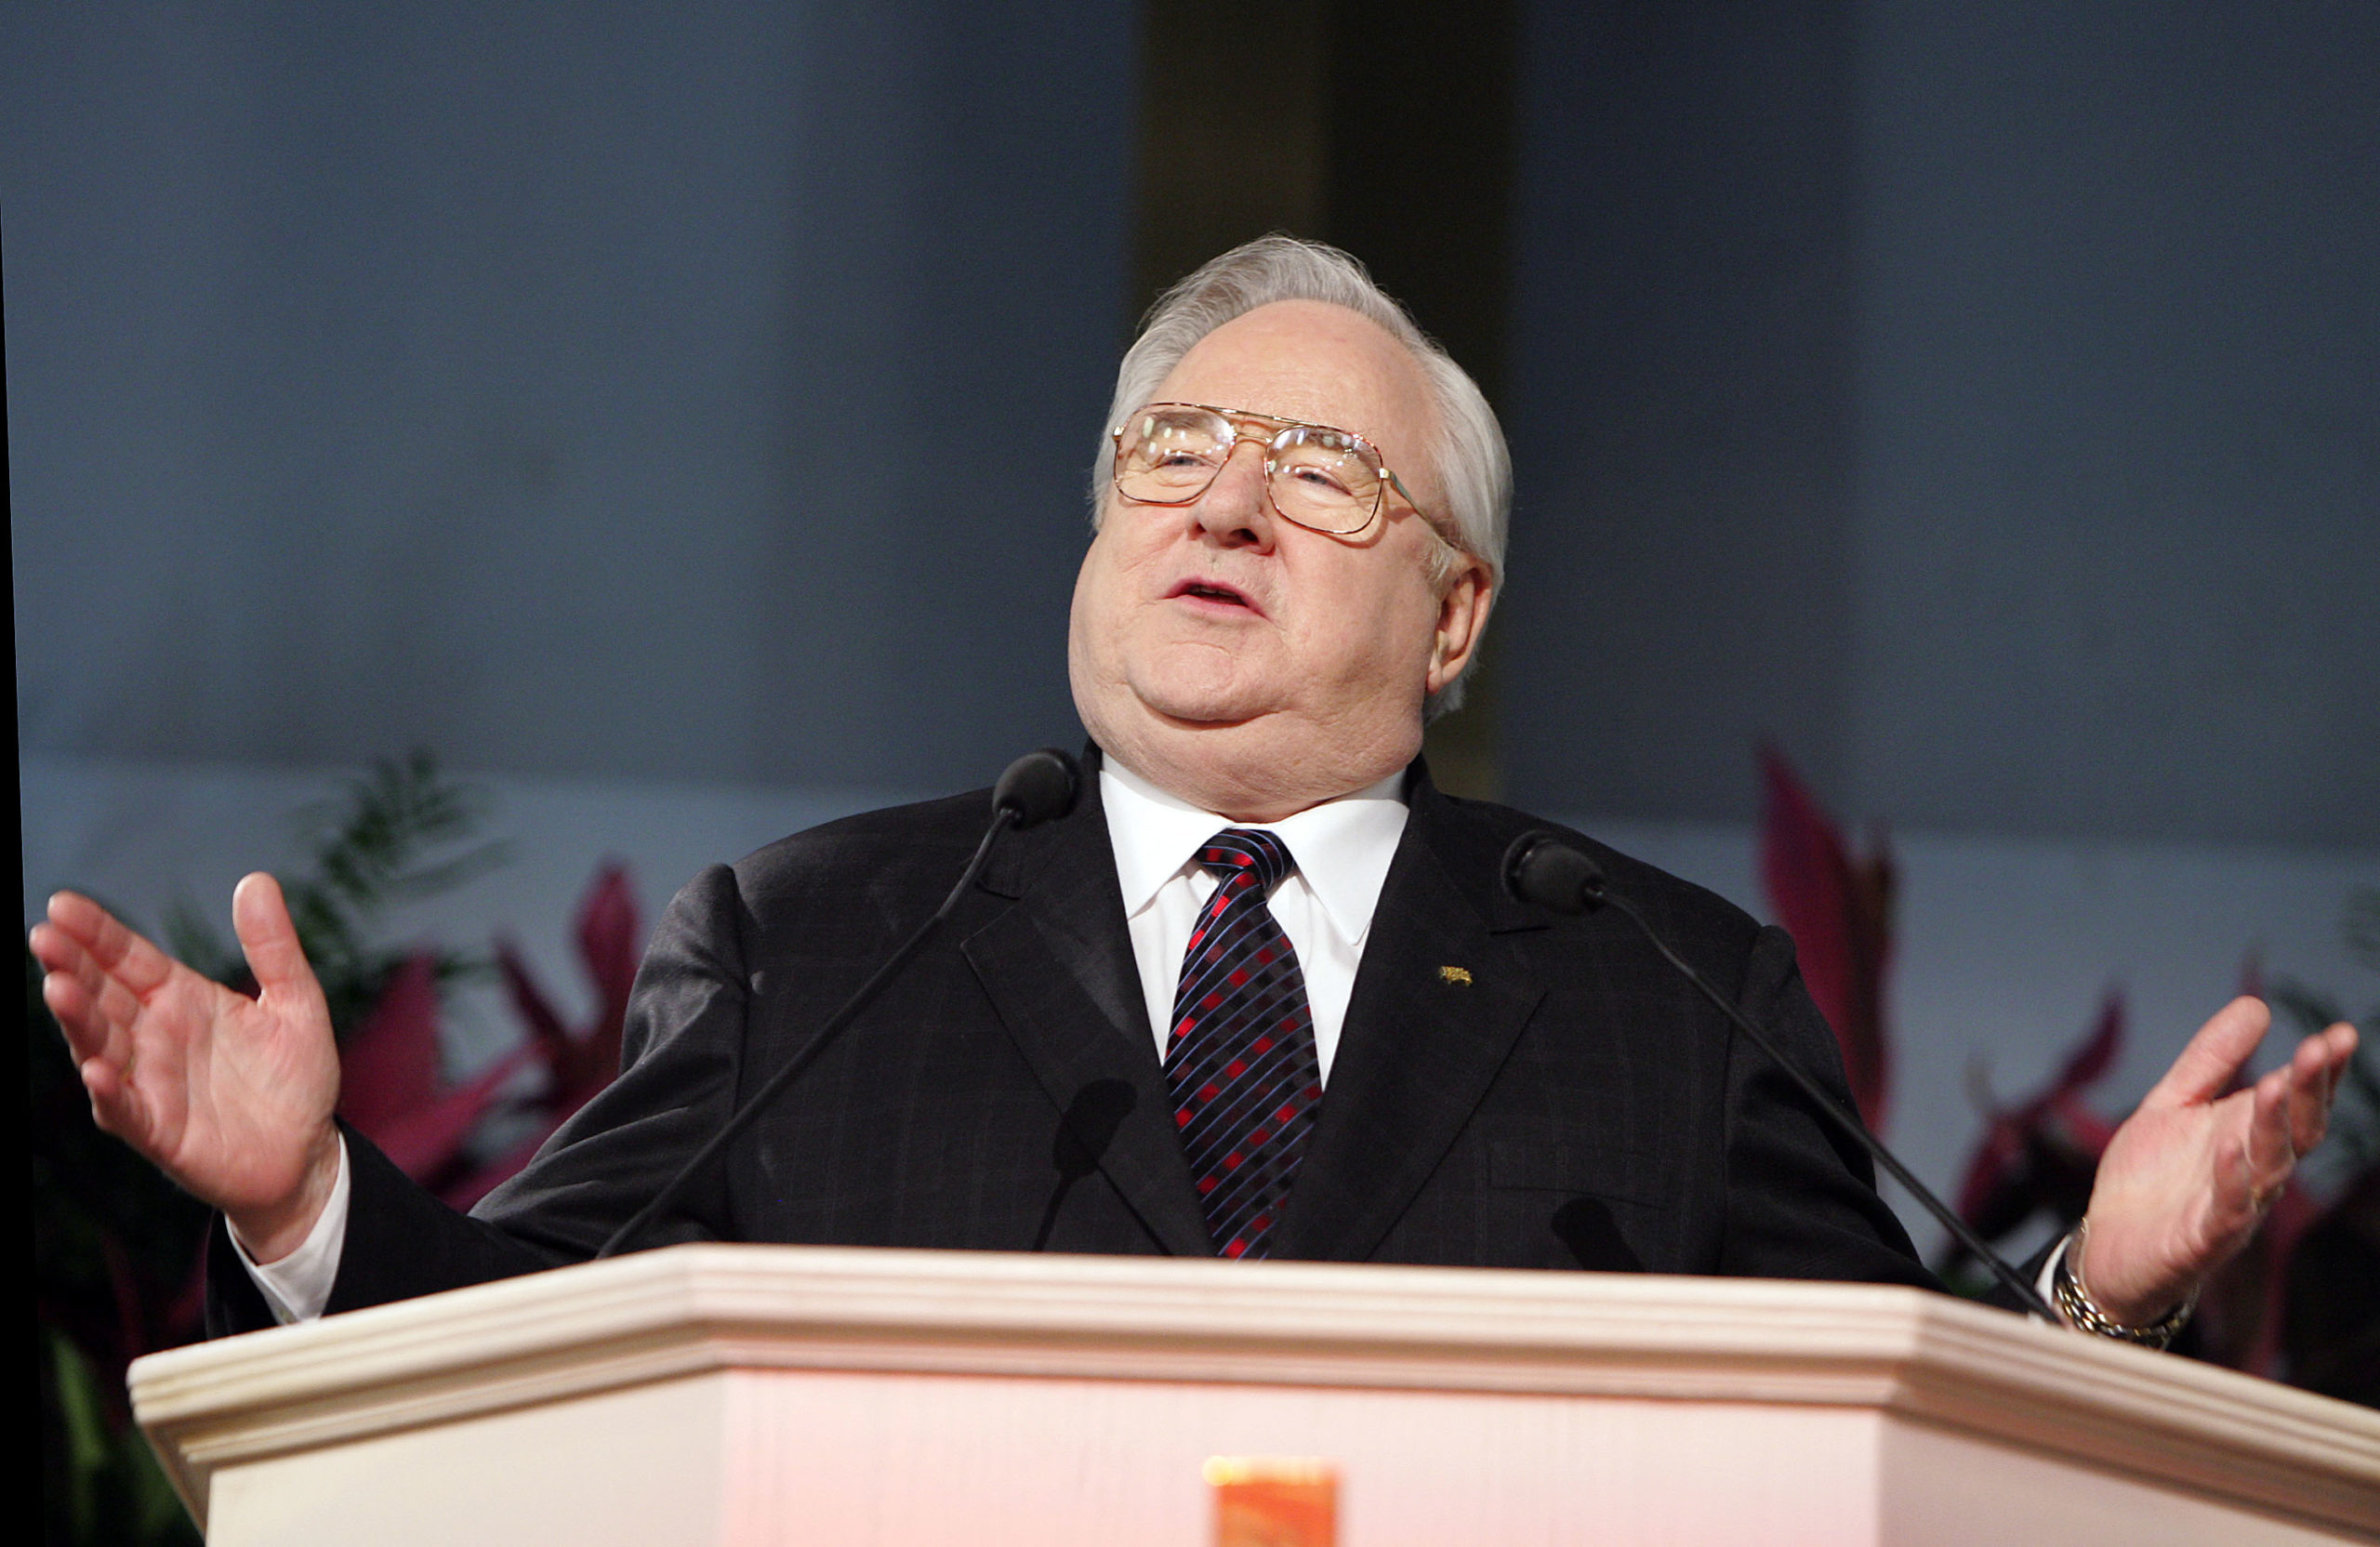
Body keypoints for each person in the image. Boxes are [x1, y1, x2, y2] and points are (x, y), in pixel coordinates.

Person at [32, 238, 2358, 1344]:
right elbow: (510, 1342)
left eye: (1322, 468)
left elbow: (1893, 1411)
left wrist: (2090, 1291)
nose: (1223, 503)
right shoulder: (820, 938)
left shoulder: (1661, 984)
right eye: (1173, 449)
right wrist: (314, 1199)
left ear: (1453, 619)